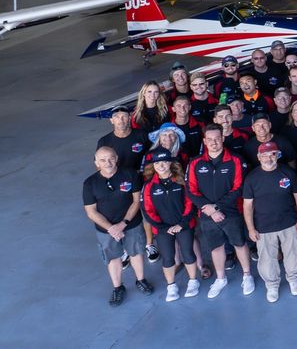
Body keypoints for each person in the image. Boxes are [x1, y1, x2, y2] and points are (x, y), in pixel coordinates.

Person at [187, 124, 254, 298]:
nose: (214, 142)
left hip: (231, 212)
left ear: (223, 138)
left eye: (217, 138)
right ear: (204, 141)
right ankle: (221, 278)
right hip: (207, 214)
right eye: (209, 139)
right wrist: (210, 210)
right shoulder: (195, 163)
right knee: (216, 248)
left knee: (239, 243)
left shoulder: (235, 160)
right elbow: (191, 190)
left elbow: (238, 188)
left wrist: (216, 207)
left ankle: (247, 276)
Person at [85, 146, 152, 306]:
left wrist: (123, 223)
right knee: (113, 258)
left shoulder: (130, 175)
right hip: (106, 230)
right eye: (102, 160)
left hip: (131, 224)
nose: (107, 162)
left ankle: (140, 280)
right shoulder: (90, 183)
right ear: (96, 163)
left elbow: (136, 200)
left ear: (116, 158)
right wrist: (111, 228)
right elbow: (91, 212)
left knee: (136, 253)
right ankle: (117, 287)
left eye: (111, 158)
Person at [242, 140, 297, 302]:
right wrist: (250, 228)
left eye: (272, 155)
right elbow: (247, 205)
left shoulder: (288, 173)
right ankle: (272, 285)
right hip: (263, 226)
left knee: (293, 253)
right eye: (264, 155)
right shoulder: (252, 178)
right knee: (267, 258)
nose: (269, 159)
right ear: (258, 157)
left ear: (278, 155)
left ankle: (294, 279)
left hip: (289, 222)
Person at [141, 148, 199, 302]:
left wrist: (182, 223)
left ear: (170, 163)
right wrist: (163, 228)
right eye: (157, 163)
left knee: (188, 253)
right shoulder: (148, 186)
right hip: (162, 228)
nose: (161, 165)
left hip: (184, 225)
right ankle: (171, 286)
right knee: (167, 258)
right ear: (152, 165)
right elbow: (147, 210)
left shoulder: (180, 181)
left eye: (165, 162)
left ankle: (193, 282)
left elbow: (190, 202)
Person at [97, 106, 151, 173]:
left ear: (129, 118)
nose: (121, 120)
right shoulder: (104, 141)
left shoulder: (142, 135)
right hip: (117, 179)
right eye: (116, 117)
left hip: (140, 176)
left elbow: (152, 155)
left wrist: (147, 173)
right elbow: (99, 165)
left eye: (124, 116)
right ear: (111, 120)